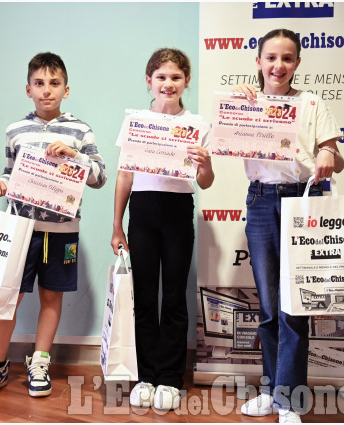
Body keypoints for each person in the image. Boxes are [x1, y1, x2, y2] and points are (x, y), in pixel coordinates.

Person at [0, 52, 107, 399]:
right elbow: (8, 172)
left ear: (67, 89)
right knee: (6, 299)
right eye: (39, 84)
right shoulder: (15, 130)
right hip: (18, 230)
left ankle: (40, 361)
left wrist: (75, 157)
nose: (47, 90)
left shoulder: (80, 130)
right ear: (28, 89)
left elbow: (100, 176)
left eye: (55, 83)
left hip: (62, 231)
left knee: (51, 296)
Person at [234, 29, 344, 423]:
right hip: (261, 201)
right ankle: (271, 391)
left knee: (295, 307)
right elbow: (223, 141)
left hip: (303, 201)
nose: (278, 65)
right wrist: (241, 107)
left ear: (297, 63)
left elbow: (336, 158)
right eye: (271, 57)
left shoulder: (312, 103)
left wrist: (328, 152)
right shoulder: (244, 102)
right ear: (259, 61)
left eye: (287, 58)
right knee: (267, 308)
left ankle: (289, 400)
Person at [111, 48, 214, 411]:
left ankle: (170, 378)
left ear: (187, 80)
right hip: (142, 210)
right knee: (144, 295)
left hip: (176, 210)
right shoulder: (136, 121)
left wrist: (205, 164)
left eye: (175, 77)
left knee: (173, 295)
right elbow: (125, 175)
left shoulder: (198, 124)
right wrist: (117, 226)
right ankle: (145, 375)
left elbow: (206, 182)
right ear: (149, 81)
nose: (168, 84)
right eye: (161, 77)